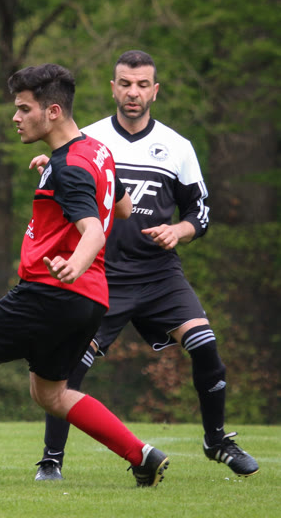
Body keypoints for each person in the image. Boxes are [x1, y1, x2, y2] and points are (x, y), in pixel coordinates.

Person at [0, 63, 170, 489]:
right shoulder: (95, 151)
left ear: (52, 111)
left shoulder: (70, 166)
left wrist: (73, 263)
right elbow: (124, 208)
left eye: (24, 109)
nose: (15, 117)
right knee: (50, 393)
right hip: (90, 300)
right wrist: (55, 172)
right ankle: (141, 456)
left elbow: (93, 230)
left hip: (52, 290)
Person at [32, 50, 259, 482]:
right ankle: (51, 460)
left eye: (141, 85)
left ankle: (216, 441)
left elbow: (200, 212)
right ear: (113, 88)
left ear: (155, 90)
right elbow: (63, 180)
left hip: (159, 275)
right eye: (125, 83)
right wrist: (50, 166)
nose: (133, 92)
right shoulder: (88, 139)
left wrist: (179, 231)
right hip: (102, 273)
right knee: (70, 365)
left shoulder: (178, 147)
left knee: (205, 344)